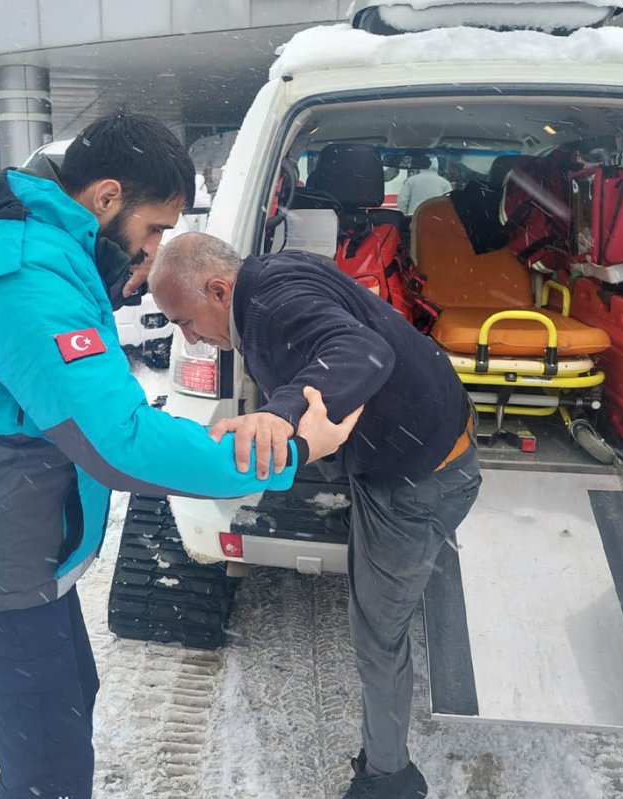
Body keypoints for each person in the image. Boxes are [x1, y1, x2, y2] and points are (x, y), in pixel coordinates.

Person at [0, 112, 358, 799]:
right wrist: (286, 448)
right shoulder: (22, 269)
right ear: (107, 195)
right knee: (47, 768)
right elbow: (119, 443)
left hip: (19, 536)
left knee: (68, 705)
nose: (151, 254)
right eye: (153, 229)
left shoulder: (47, 244)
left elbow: (87, 406)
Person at [149, 232, 483, 799]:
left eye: (185, 320)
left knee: (377, 634)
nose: (191, 339)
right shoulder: (272, 276)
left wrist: (281, 414)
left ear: (217, 287)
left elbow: (358, 351)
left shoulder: (273, 305)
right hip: (422, 440)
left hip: (418, 482)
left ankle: (389, 780)